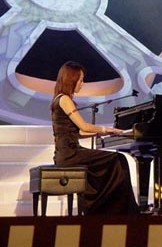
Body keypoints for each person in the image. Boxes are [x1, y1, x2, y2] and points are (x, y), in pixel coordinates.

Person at [51, 61, 139, 215]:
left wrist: (105, 133)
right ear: (71, 80)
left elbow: (79, 133)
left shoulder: (59, 99)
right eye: (80, 80)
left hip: (66, 153)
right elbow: (84, 127)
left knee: (114, 161)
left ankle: (106, 209)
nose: (82, 84)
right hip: (70, 154)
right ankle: (121, 211)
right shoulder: (64, 99)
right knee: (119, 160)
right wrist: (106, 129)